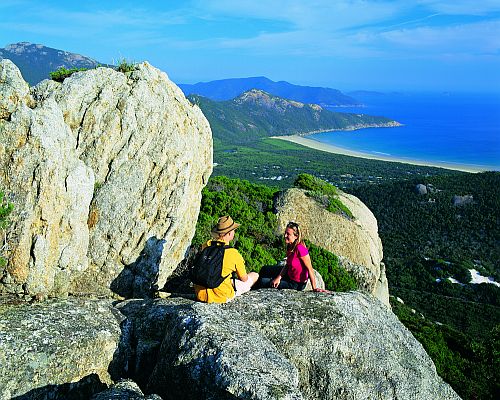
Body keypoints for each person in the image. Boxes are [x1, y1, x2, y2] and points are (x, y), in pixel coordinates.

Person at [194, 215, 259, 303]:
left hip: (200, 295)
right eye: (233, 230)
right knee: (254, 275)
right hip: (221, 297)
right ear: (229, 233)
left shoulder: (206, 245)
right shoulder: (233, 253)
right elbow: (244, 278)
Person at [259, 221, 321, 291]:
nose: (285, 236)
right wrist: (279, 278)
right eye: (285, 233)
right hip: (289, 273)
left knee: (263, 281)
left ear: (296, 236)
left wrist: (314, 288)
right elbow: (288, 265)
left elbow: (310, 269)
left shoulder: (300, 249)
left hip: (296, 283)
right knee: (264, 269)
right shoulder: (290, 246)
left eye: (288, 234)